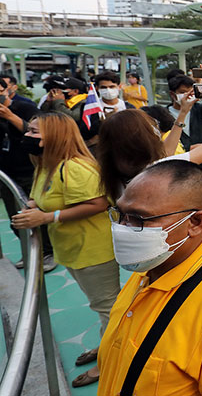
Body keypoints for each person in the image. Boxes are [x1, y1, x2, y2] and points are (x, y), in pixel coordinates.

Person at [97, 160, 202, 394]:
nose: (124, 228)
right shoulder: (153, 265)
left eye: (140, 219)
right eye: (121, 214)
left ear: (196, 222)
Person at [11, 113, 118, 388]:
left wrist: (47, 217)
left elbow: (98, 203)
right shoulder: (45, 165)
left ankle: (111, 362)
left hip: (94, 251)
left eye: (34, 132)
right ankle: (106, 346)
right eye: (29, 130)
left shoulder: (75, 168)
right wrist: (36, 207)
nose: (27, 136)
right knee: (100, 306)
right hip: (73, 249)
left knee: (108, 308)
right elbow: (42, 197)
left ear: (56, 137)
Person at [97, 88, 202, 205]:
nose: (155, 128)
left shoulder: (114, 171)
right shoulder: (157, 169)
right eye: (151, 126)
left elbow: (166, 152)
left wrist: (183, 112)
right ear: (142, 138)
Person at [0, 78, 54, 271]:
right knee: (16, 217)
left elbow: (38, 133)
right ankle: (28, 251)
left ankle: (47, 252)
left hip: (28, 170)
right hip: (6, 172)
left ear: (8, 90)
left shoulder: (25, 107)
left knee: (36, 211)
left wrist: (9, 116)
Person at [167, 74, 202, 206]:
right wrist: (188, 149)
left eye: (190, 91)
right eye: (182, 92)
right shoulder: (164, 116)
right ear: (172, 94)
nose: (187, 95)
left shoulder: (199, 109)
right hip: (178, 170)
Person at [40, 76, 100, 142]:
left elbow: (73, 117)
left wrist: (58, 101)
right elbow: (44, 114)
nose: (60, 91)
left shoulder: (84, 102)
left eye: (64, 88)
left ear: (75, 91)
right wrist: (48, 102)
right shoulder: (61, 101)